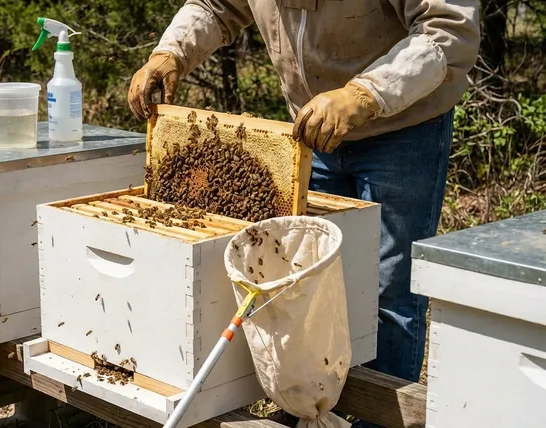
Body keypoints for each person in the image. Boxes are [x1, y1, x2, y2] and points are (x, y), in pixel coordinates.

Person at [128, 1, 480, 425]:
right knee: (304, 281)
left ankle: (378, 420)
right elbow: (215, 6)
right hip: (312, 130)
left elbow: (448, 30)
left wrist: (364, 94)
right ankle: (313, 411)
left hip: (403, 129)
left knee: (388, 291)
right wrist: (172, 52)